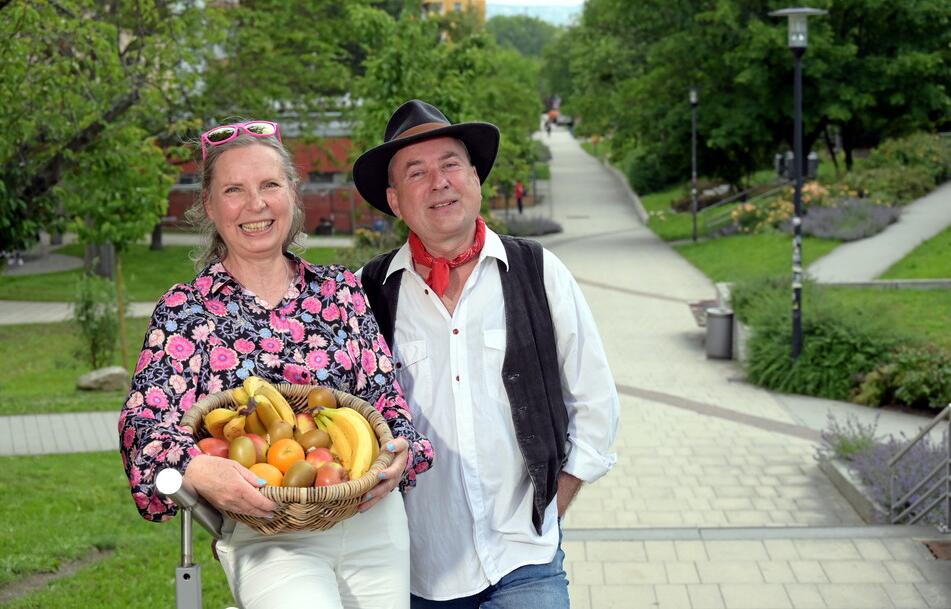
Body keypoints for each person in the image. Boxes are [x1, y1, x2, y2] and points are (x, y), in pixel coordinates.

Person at [118, 120, 434, 609]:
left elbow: (385, 400)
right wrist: (197, 467)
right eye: (234, 190)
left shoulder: (340, 291)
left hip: (374, 522)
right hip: (266, 534)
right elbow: (143, 425)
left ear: (292, 191)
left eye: (269, 184)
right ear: (209, 205)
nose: (256, 204)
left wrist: (401, 452)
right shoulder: (185, 311)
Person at [353, 100, 619, 607]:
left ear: (474, 177)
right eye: (417, 172)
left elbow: (595, 399)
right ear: (394, 199)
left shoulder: (539, 271)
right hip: (415, 568)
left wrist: (551, 508)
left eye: (451, 163)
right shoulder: (368, 293)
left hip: (524, 560)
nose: (439, 182)